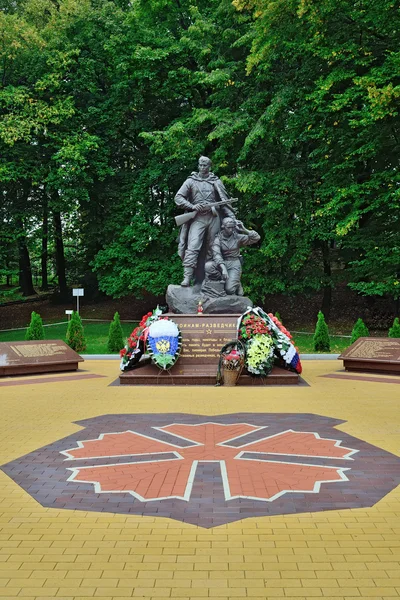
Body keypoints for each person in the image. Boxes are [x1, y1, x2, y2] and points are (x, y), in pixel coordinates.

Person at [175, 156, 236, 286]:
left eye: (205, 165)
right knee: (193, 246)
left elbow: (224, 203)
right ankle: (187, 277)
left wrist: (233, 219)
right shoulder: (190, 181)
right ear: (198, 166)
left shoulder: (216, 182)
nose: (202, 168)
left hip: (214, 218)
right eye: (200, 165)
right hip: (197, 218)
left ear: (209, 167)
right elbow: (178, 198)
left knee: (213, 248)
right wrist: (192, 206)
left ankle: (209, 278)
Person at [205, 217, 260, 296]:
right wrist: (223, 269)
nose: (231, 230)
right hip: (222, 263)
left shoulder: (237, 237)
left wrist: (244, 229)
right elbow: (217, 255)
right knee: (208, 266)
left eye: (232, 227)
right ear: (223, 227)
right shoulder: (218, 239)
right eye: (228, 227)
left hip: (234, 263)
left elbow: (256, 238)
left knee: (229, 290)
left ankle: (237, 283)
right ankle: (226, 279)